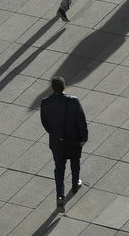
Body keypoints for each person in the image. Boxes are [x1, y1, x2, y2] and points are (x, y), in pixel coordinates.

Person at [40, 76, 88, 211]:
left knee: (59, 169)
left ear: (52, 88)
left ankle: (60, 195)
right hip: (73, 141)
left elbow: (45, 123)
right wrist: (84, 137)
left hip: (57, 142)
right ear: (64, 87)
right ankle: (75, 185)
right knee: (75, 162)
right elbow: (81, 121)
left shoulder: (45, 102)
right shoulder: (73, 101)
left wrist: (54, 134)